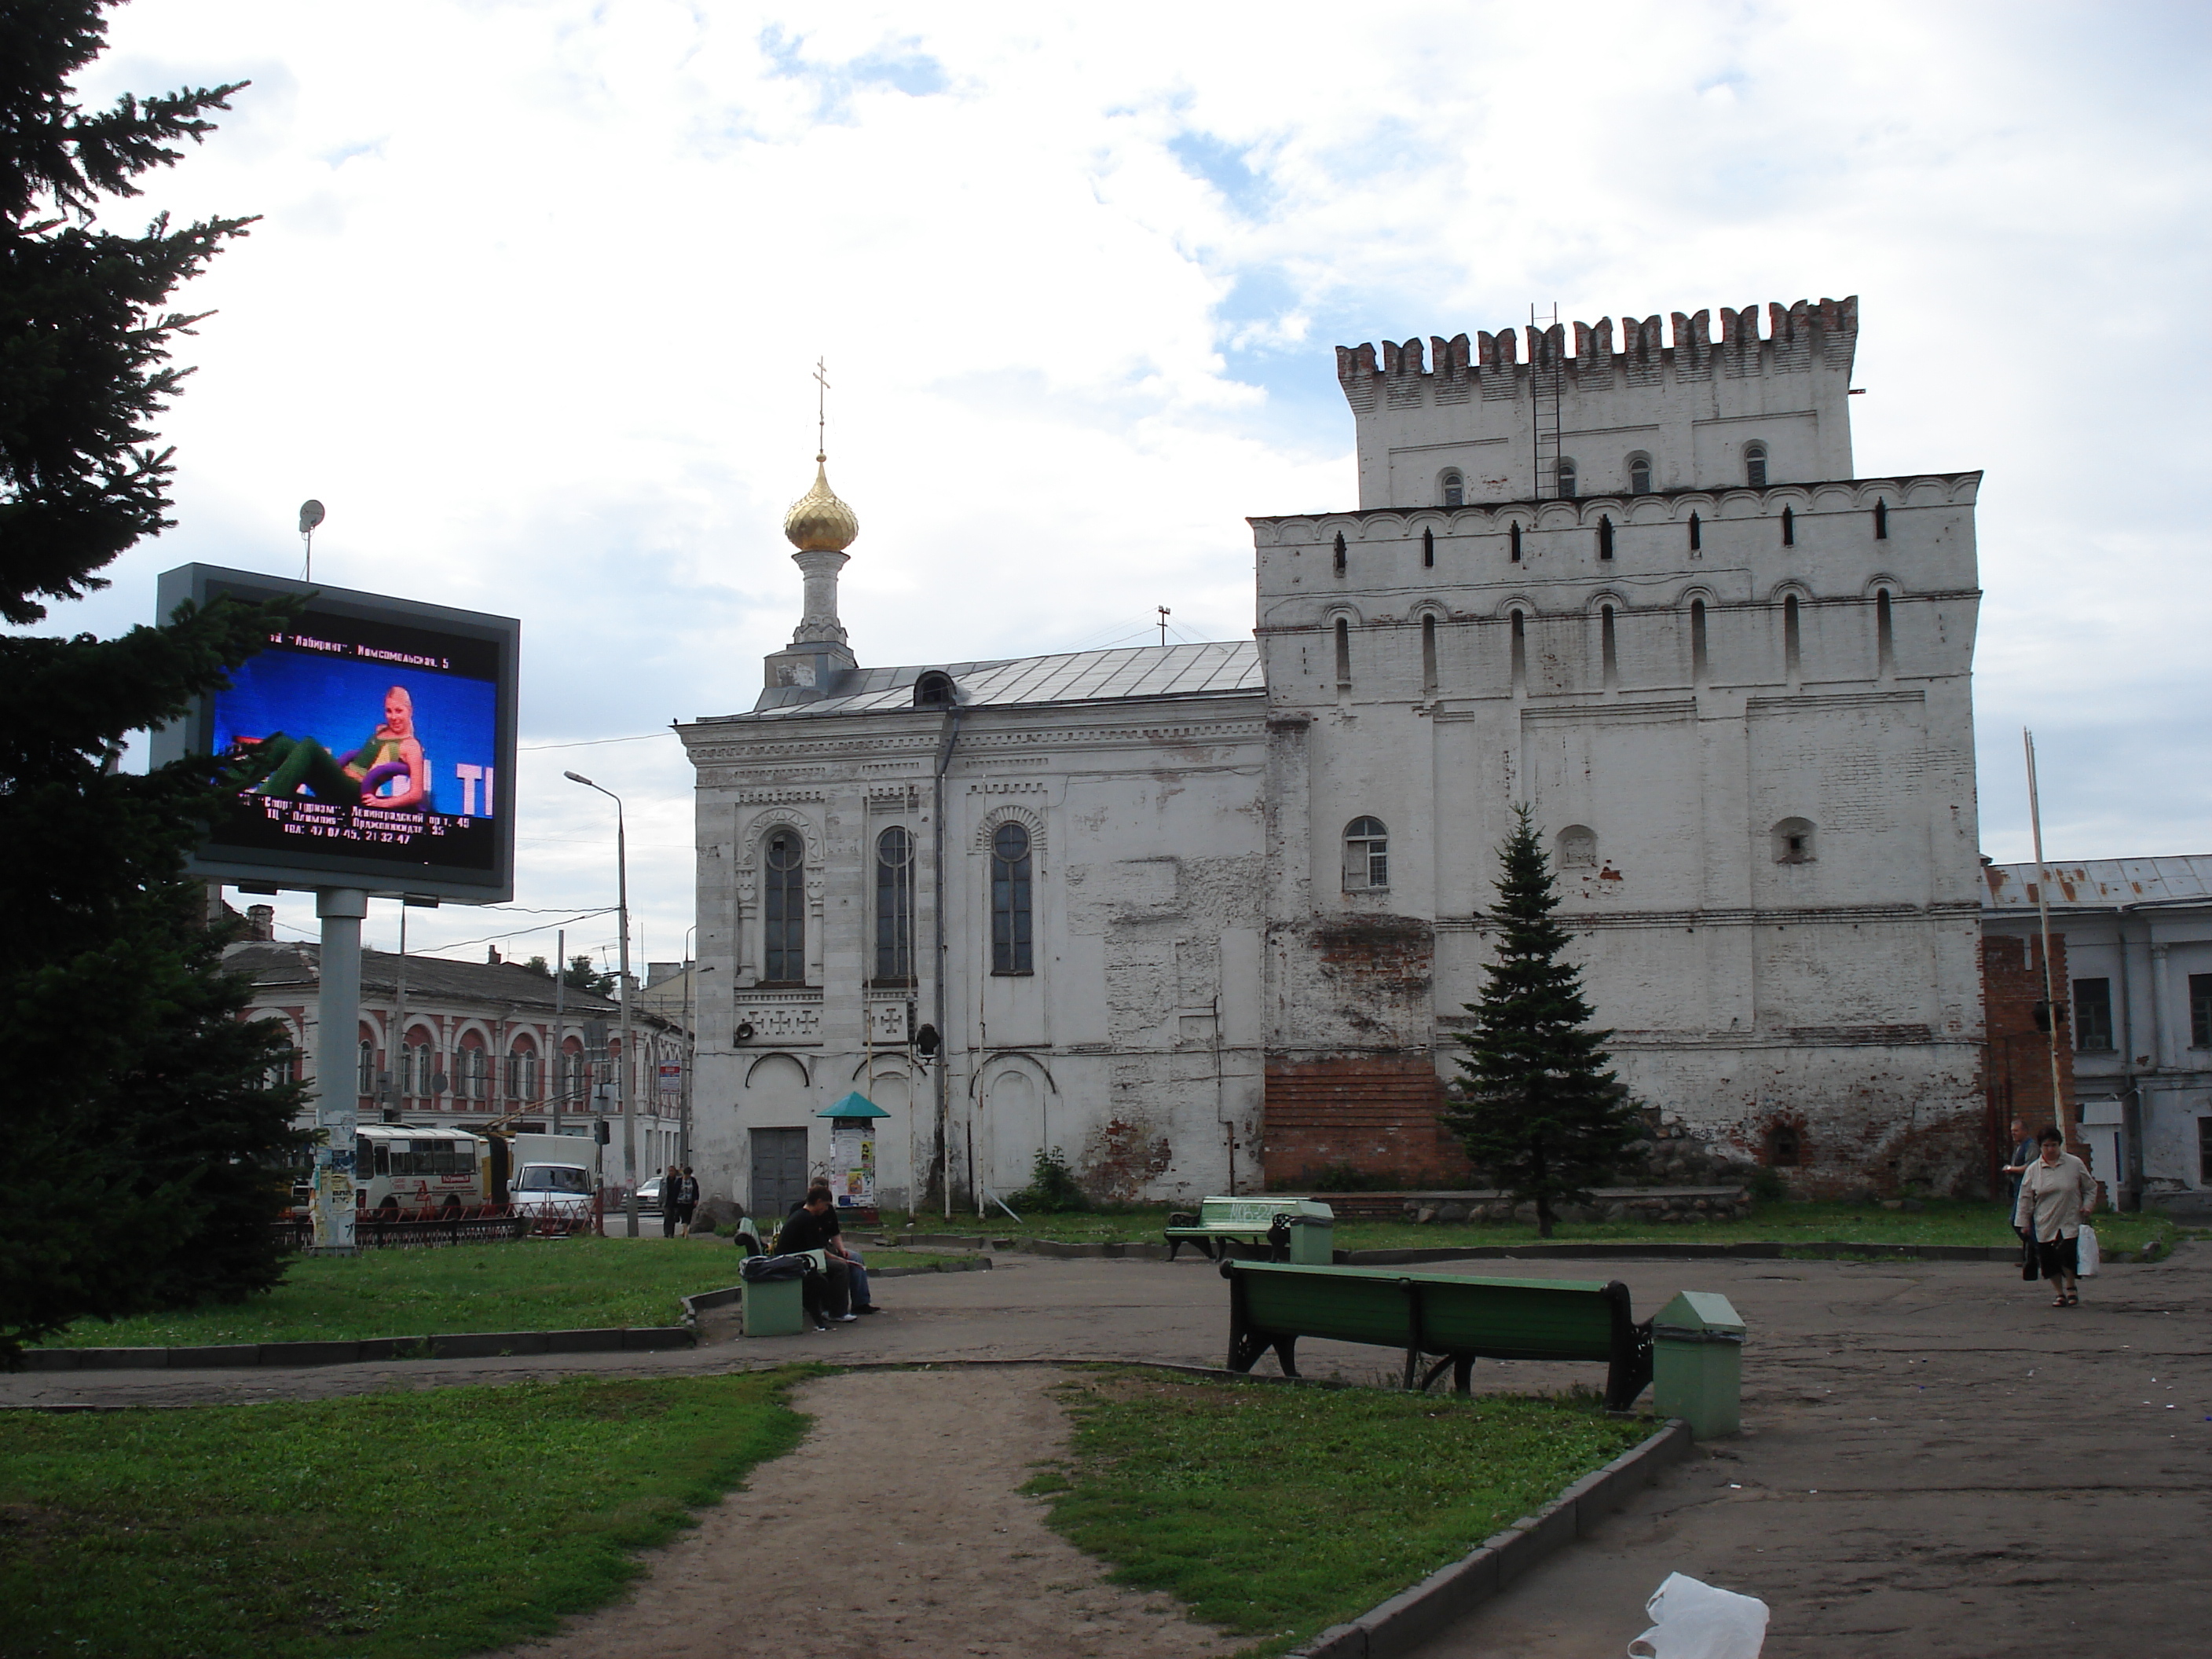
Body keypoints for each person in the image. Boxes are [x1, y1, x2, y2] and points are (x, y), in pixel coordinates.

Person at [233, 685, 429, 809]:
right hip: (340, 780)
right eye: (389, 711)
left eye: (399, 711)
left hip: (354, 792)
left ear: (410, 711)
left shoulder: (411, 746)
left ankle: (258, 804)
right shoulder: (380, 729)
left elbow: (416, 794)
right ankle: (227, 786)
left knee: (309, 746)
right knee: (283, 742)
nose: (393, 717)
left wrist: (381, 803)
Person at [2014, 1126, 2097, 1307]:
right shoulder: (2034, 1169)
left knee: (2067, 1254)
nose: (2051, 1149)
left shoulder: (2074, 1163)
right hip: (2045, 1220)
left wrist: (2087, 1206)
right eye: (2046, 1146)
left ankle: (2071, 1287)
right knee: (2049, 1259)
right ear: (2041, 1147)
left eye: (2054, 1145)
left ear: (2060, 1145)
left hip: (2069, 1219)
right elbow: (2025, 1198)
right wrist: (2023, 1223)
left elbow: (2090, 1187)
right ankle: (2059, 1293)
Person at [776, 1185, 877, 1324]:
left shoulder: (802, 1215)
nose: (826, 1209)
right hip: (795, 1261)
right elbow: (818, 1250)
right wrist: (839, 1259)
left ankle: (840, 1306)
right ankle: (837, 1312)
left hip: (796, 1258)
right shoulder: (807, 1219)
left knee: (839, 1264)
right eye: (825, 1205)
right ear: (818, 1202)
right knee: (840, 1268)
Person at [673, 1166, 700, 1236]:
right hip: (681, 1202)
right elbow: (675, 1191)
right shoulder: (679, 1181)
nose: (687, 1176)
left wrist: (696, 1199)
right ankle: (686, 1231)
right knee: (683, 1216)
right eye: (686, 1174)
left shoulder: (693, 1180)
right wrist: (674, 1201)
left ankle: (685, 1230)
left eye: (689, 1175)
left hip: (690, 1201)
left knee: (689, 1216)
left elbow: (696, 1190)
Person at [659, 1164, 682, 1237]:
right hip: (667, 1202)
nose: (671, 1172)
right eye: (670, 1171)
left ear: (675, 1172)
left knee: (673, 1219)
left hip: (676, 1202)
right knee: (667, 1217)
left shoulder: (678, 1180)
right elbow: (661, 1192)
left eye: (672, 1171)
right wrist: (660, 1201)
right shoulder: (664, 1181)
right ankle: (666, 1232)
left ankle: (671, 1233)